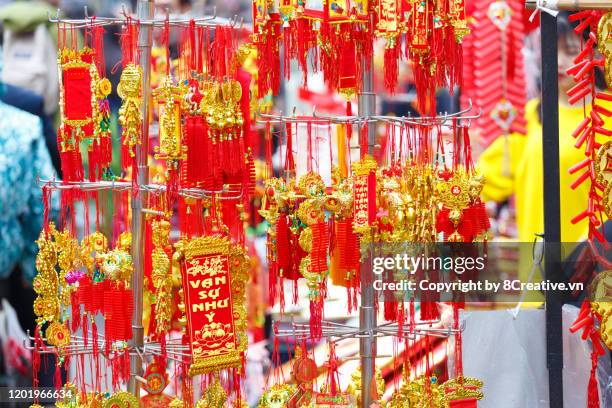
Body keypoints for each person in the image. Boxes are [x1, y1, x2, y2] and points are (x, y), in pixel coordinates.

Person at [477, 12, 610, 245]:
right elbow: (488, 178)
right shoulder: (530, 114)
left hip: (597, 260)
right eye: (552, 49)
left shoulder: (607, 113)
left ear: (596, 53)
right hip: (538, 262)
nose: (558, 61)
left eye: (570, 52)